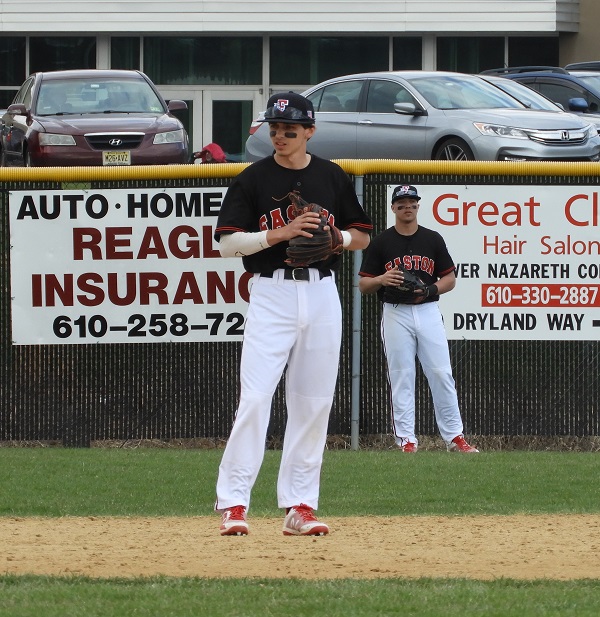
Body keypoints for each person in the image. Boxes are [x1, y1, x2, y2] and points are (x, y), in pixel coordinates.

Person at [214, 92, 372, 536]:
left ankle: (300, 506)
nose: (280, 136)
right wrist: (280, 233)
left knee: (313, 402)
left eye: (290, 129)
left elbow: (361, 235)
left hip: (322, 293)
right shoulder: (252, 179)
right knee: (256, 397)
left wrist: (335, 238)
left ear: (309, 132)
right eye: (275, 129)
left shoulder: (331, 176)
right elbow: (226, 244)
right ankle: (234, 504)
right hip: (272, 293)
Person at [358, 184, 478, 454]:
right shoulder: (382, 243)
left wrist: (431, 288)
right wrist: (380, 279)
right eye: (401, 204)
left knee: (441, 373)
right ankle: (407, 440)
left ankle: (455, 438)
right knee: (401, 375)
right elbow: (364, 285)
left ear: (417, 206)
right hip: (395, 312)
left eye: (412, 203)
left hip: (427, 310)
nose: (407, 207)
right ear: (393, 208)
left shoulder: (432, 239)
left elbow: (449, 278)